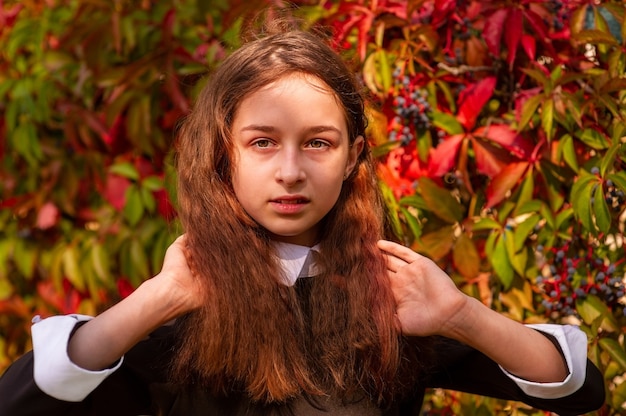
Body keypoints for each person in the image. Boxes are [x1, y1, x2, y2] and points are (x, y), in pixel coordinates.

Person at [0, 28, 605, 416]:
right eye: (263, 142)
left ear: (354, 158)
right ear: (223, 155)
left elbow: (577, 387)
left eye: (317, 143)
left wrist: (457, 315)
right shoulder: (182, 312)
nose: (290, 171)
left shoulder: (391, 297)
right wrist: (157, 300)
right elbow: (24, 398)